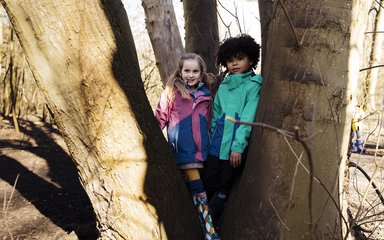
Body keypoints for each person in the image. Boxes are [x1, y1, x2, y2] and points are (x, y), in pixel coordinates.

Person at [155, 53, 220, 240]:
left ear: (201, 73)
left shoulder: (206, 94)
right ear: (180, 71)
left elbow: (208, 121)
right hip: (182, 148)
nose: (191, 75)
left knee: (197, 187)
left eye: (195, 71)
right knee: (199, 189)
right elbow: (160, 116)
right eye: (187, 71)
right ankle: (209, 231)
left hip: (201, 150)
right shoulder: (172, 91)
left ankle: (198, 224)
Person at [202, 34, 263, 229]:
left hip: (233, 149)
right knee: (208, 182)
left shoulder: (253, 85)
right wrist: (210, 142)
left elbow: (247, 119)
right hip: (215, 146)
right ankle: (202, 219)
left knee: (223, 186)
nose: (234, 64)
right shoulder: (224, 86)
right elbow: (216, 115)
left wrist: (237, 147)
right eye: (230, 60)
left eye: (240, 58)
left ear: (251, 59)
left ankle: (211, 223)